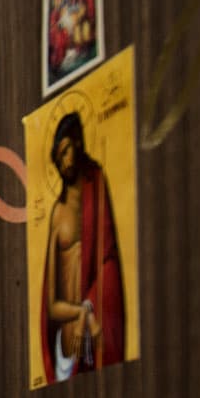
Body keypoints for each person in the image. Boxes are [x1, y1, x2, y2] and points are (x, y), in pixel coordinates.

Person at [39, 110, 126, 382]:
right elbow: (51, 305)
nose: (63, 162)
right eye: (58, 156)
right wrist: (83, 313)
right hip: (67, 345)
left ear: (77, 143)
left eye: (66, 151)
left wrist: (89, 309)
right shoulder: (58, 213)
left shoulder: (96, 186)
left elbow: (109, 259)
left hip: (92, 342)